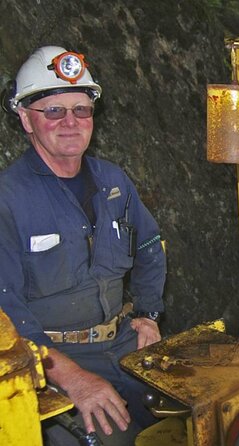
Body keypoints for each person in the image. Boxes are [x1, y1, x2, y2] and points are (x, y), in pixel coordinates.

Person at [0, 46, 166, 444]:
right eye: (54, 111)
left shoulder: (113, 181)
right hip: (53, 360)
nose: (70, 122)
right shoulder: (8, 198)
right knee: (113, 439)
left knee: (197, 420)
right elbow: (5, 307)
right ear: (25, 118)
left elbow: (150, 244)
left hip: (124, 342)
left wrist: (147, 312)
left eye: (81, 109)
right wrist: (72, 378)